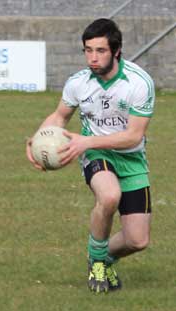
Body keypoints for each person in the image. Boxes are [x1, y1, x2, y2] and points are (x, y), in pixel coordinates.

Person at [26, 18, 154, 293]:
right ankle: (97, 261)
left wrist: (86, 141)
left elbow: (133, 136)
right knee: (108, 196)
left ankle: (103, 256)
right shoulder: (78, 83)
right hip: (95, 153)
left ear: (116, 51)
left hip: (130, 157)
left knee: (137, 240)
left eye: (100, 51)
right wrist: (37, 139)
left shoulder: (139, 82)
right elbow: (60, 116)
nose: (92, 58)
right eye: (88, 50)